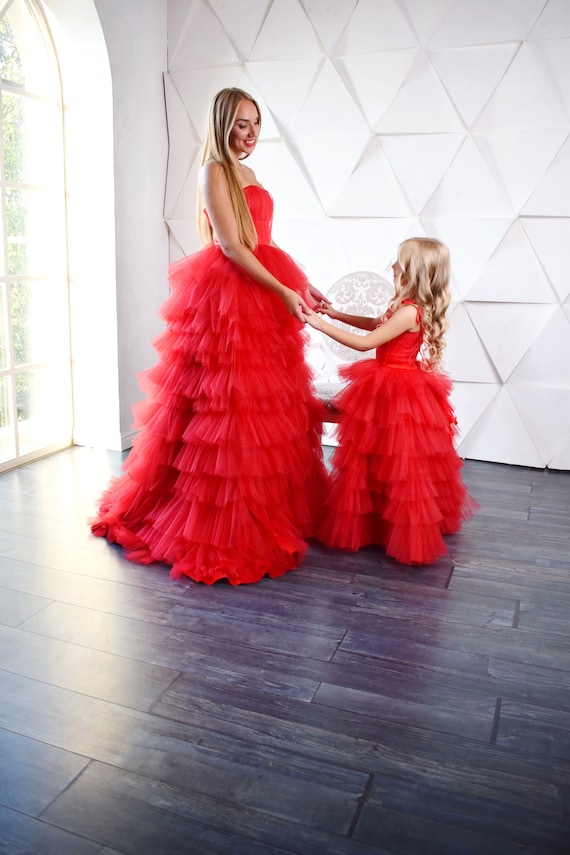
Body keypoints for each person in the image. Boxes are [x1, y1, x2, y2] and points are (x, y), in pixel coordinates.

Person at [91, 87, 330, 585]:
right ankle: (222, 519)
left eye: (257, 124)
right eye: (242, 124)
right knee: (224, 410)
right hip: (230, 294)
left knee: (263, 408)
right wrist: (284, 291)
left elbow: (262, 241)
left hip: (262, 287)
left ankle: (263, 505)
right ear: (223, 124)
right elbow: (229, 244)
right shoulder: (214, 171)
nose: (251, 134)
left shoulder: (249, 174)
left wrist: (303, 286)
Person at [304, 237, 478, 565]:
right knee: (378, 457)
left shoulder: (411, 312)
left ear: (412, 270)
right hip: (390, 380)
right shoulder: (404, 304)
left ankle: (397, 527)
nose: (393, 265)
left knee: (399, 462)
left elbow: (365, 342)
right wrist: (334, 312)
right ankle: (377, 522)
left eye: (398, 261)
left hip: (396, 388)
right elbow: (374, 325)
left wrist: (318, 323)